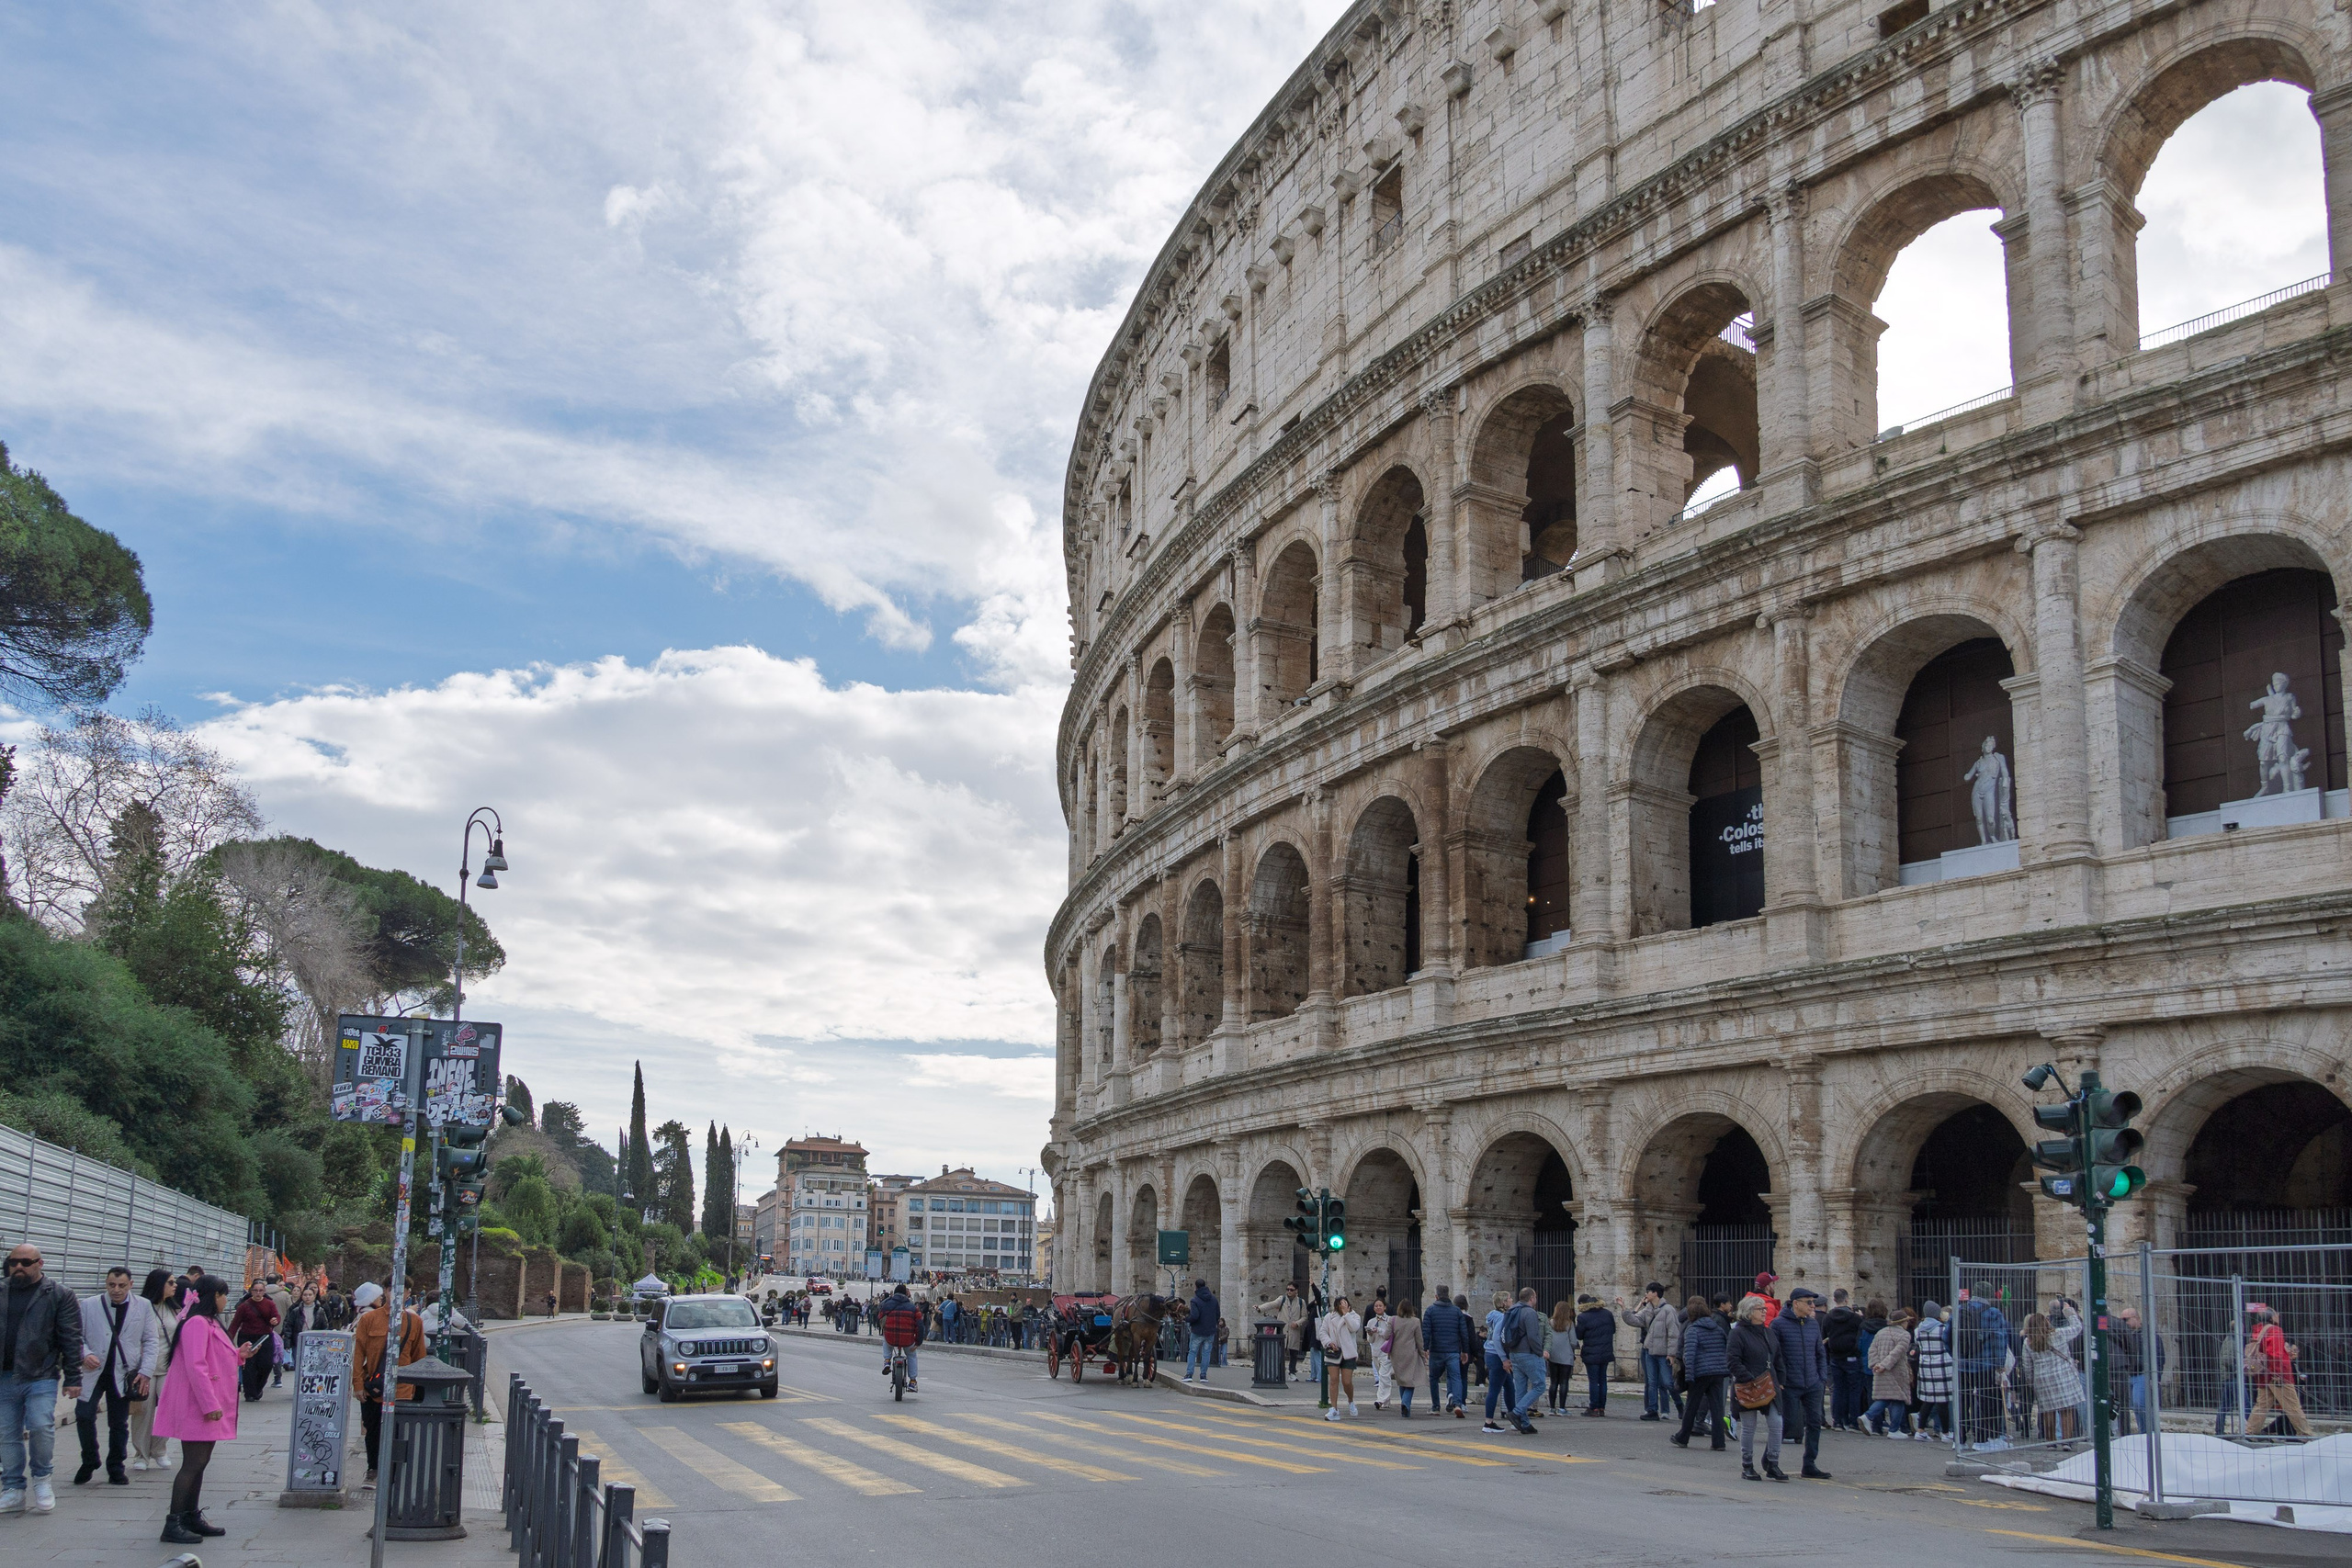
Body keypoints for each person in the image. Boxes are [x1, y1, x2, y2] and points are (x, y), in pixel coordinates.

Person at [153, 1274, 247, 1545]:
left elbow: (214, 1356)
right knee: (193, 1464)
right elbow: (196, 1366)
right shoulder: (197, 1323)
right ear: (214, 1296)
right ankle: (173, 1522)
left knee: (200, 1463)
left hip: (205, 1404)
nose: (226, 1300)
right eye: (224, 1295)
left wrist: (238, 1354)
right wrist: (209, 1404)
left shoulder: (208, 1321)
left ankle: (190, 1516)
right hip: (198, 1405)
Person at [0, 1243, 83, 1516]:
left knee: (41, 1426)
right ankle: (13, 1489)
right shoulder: (1, 1290)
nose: (18, 1267)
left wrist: (73, 1377)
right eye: (13, 1262)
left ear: (40, 1263)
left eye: (25, 1262)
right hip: (4, 1377)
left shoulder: (58, 1294)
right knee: (6, 1435)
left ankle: (42, 1479)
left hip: (41, 1375)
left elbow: (71, 1337)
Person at [74, 1266, 159, 1487]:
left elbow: (151, 1340)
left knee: (118, 1423)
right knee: (83, 1415)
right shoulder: (89, 1305)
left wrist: (145, 1371)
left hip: (123, 1372)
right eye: (112, 1285)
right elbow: (76, 1336)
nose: (116, 1290)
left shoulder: (143, 1306)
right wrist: (86, 1354)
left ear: (131, 1285)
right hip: (94, 1370)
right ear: (106, 1284)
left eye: (121, 1285)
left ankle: (116, 1466)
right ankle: (90, 1459)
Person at [351, 1280, 427, 1484]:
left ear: (408, 1294)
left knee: (398, 1433)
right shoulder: (369, 1319)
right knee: (373, 1430)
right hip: (374, 1387)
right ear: (385, 1291)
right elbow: (358, 1353)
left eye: (402, 1290)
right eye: (392, 1289)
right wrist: (357, 1384)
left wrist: (418, 1389)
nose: (396, 1294)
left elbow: (419, 1356)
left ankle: (395, 1474)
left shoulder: (414, 1321)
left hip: (402, 1389)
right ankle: (373, 1469)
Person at [1770, 1286, 1831, 1478]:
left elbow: (1820, 1353)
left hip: (1812, 1382)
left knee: (1814, 1423)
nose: (1813, 1306)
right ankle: (1770, 1460)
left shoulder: (1812, 1324)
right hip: (1790, 1383)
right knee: (1787, 1424)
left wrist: (1821, 1378)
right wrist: (1779, 1379)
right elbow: (1774, 1355)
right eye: (1809, 1302)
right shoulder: (1778, 1324)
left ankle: (1809, 1464)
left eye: (1813, 1302)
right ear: (1796, 1303)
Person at [1727, 1294, 1785, 1482]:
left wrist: (1781, 1379)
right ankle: (1747, 1465)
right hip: (1748, 1385)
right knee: (1749, 1426)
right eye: (1760, 1309)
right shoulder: (1738, 1333)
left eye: (1764, 1309)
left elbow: (1777, 1358)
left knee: (1776, 1423)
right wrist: (1749, 1378)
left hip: (1770, 1385)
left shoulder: (1768, 1332)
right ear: (1748, 1312)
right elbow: (1733, 1361)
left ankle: (1773, 1463)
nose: (1764, 1312)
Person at [130, 1269, 177, 1472]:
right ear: (159, 1284)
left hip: (168, 1368)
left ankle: (159, 1450)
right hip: (145, 1369)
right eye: (171, 1282)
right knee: (143, 1412)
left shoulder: (174, 1308)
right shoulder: (141, 1307)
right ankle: (141, 1454)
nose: (175, 1286)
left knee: (168, 1410)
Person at [1955, 1282, 2012, 1449]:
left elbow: (1947, 1336)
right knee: (1986, 1402)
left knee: (1963, 1401)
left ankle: (1960, 1440)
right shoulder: (1993, 1313)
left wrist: (1957, 1356)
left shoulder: (1959, 1310)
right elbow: (1999, 1339)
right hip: (1985, 1365)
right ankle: (1982, 1440)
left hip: (1963, 1364)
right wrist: (1999, 1363)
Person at [1670, 1293, 1728, 1452]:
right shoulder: (1717, 1328)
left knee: (1691, 1406)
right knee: (1717, 1408)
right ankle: (1719, 1442)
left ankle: (1683, 1437)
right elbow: (1724, 1349)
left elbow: (1689, 1355)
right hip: (1717, 1372)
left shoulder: (1693, 1330)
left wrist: (1689, 1375)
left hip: (1700, 1373)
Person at [2245, 1304, 2312, 1438]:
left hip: (2263, 1375)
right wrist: (2278, 1374)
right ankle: (2305, 1434)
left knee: (2261, 1406)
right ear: (2271, 1317)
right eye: (2276, 1314)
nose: (2278, 1316)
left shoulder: (2259, 1330)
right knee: (2293, 1405)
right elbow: (2275, 1355)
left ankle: (2250, 1432)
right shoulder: (2275, 1330)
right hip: (2278, 1375)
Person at [1621, 1283, 1682, 1422]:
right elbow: (1635, 1320)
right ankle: (1652, 1410)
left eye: (1648, 1291)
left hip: (1663, 1353)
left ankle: (1680, 1406)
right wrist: (1624, 1309)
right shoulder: (1648, 1309)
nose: (1646, 1294)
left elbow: (1673, 1334)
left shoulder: (1668, 1310)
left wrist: (1671, 1353)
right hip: (1649, 1351)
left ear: (1655, 1293)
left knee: (1667, 1382)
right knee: (1651, 1382)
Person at [2109, 1304, 2164, 1437]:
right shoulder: (2124, 1334)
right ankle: (2142, 1433)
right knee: (2132, 1406)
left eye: (2126, 1319)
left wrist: (2156, 1377)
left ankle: (2148, 1433)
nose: (2123, 1323)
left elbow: (2159, 1356)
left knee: (2140, 1404)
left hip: (2142, 1374)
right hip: (2127, 1374)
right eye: (2121, 1320)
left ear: (2136, 1318)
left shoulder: (2149, 1335)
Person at [1500, 1288, 1546, 1436]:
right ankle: (1517, 1412)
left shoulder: (1512, 1310)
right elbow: (1533, 1336)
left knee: (1520, 1389)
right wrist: (1540, 1352)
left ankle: (1525, 1423)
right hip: (1529, 1353)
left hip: (1514, 1353)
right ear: (1532, 1298)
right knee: (1540, 1385)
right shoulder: (1530, 1313)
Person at [1419, 1290, 1472, 1417]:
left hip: (1436, 1350)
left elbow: (1426, 1331)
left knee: (1433, 1378)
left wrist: (1425, 1348)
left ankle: (1436, 1407)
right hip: (1453, 1350)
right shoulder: (1457, 1311)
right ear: (1448, 1295)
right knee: (1456, 1377)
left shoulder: (1430, 1310)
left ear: (1436, 1296)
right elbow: (1464, 1333)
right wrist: (1465, 1351)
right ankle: (1458, 1404)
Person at [1864, 1308, 1915, 1437]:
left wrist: (1875, 1364)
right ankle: (1893, 1429)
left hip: (1881, 1371)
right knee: (1899, 1399)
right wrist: (1884, 1365)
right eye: (1906, 1321)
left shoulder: (1881, 1332)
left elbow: (1872, 1350)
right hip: (1896, 1372)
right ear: (1902, 1322)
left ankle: (1867, 1417)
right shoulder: (1905, 1335)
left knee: (1885, 1397)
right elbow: (1897, 1353)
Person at [228, 1280, 279, 1403]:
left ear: (264, 1291)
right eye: (255, 1290)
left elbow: (276, 1316)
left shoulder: (269, 1304)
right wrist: (228, 1339)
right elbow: (235, 1323)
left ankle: (258, 1388)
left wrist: (275, 1320)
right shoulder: (244, 1306)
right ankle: (250, 1393)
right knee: (249, 1366)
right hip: (247, 1337)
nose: (258, 1293)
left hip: (264, 1337)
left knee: (266, 1364)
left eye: (261, 1291)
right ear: (251, 1291)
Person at [1821, 1289, 1865, 1431]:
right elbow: (1861, 1336)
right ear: (1846, 1300)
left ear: (1834, 1300)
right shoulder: (1855, 1318)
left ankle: (1838, 1421)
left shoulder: (1828, 1318)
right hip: (1852, 1356)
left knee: (1838, 1389)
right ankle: (1853, 1422)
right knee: (1854, 1390)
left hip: (1835, 1356)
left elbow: (1824, 1337)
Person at [1911, 1300, 1953, 1441]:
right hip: (1942, 1367)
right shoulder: (1943, 1329)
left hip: (1926, 1367)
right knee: (1943, 1401)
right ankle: (1946, 1433)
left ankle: (1920, 1430)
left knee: (1928, 1400)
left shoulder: (1918, 1330)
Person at [1317, 1293, 1363, 1420]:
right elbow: (1323, 1332)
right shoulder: (1329, 1317)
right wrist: (1329, 1342)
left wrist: (1346, 1314)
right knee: (1333, 1380)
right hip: (1334, 1352)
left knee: (1347, 1382)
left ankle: (1351, 1401)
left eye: (1344, 1303)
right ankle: (1334, 1408)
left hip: (1348, 1352)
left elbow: (1354, 1328)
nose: (1342, 1306)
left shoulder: (1354, 1316)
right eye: (1340, 1304)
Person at [1573, 1293, 1617, 1416]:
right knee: (1602, 1380)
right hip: (1606, 1351)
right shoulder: (1608, 1314)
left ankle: (1594, 1407)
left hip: (1591, 1352)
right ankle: (1601, 1407)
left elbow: (1579, 1335)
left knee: (1593, 1381)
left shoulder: (1583, 1317)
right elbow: (1613, 1330)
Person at [877, 1283, 923, 1392]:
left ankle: (887, 1361)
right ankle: (913, 1382)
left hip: (891, 1336)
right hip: (907, 1338)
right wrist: (918, 1342)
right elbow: (920, 1326)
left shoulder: (887, 1305)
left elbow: (879, 1317)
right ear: (906, 1294)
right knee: (911, 1356)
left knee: (886, 1342)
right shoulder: (913, 1308)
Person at [1480, 1292, 1515, 1430]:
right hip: (1497, 1355)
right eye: (1509, 1298)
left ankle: (1514, 1418)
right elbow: (1497, 1338)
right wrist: (1504, 1358)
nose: (1512, 1300)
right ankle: (1488, 1422)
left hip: (1491, 1353)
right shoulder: (1502, 1317)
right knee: (1494, 1389)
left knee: (1509, 1386)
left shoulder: (1493, 1316)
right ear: (1503, 1303)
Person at [1385, 1298, 1426, 1417]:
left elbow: (1386, 1335)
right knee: (1410, 1381)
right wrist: (1423, 1354)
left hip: (1396, 1354)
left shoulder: (1392, 1320)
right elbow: (1419, 1340)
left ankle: (1405, 1406)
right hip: (1410, 1354)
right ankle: (1405, 1403)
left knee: (1401, 1380)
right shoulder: (1415, 1321)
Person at [1182, 1278, 1218, 1383]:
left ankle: (1189, 1374)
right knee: (1206, 1353)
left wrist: (1186, 1319)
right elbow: (1218, 1314)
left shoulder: (1195, 1300)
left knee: (1192, 1352)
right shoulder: (1214, 1299)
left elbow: (1195, 1316)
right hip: (1210, 1331)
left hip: (1197, 1330)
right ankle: (1203, 1376)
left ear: (1196, 1287)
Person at [1545, 1301, 1577, 1413]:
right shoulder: (1569, 1324)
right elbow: (1573, 1341)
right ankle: (1562, 1408)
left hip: (1553, 1355)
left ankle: (1552, 1407)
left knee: (1553, 1382)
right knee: (1564, 1382)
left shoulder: (1550, 1322)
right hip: (1566, 1356)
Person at [1363, 1299, 1394, 1410]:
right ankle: (1386, 1401)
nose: (1378, 1308)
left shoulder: (1389, 1320)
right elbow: (1370, 1340)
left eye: (1380, 1306)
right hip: (1375, 1351)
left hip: (1385, 1352)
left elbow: (1388, 1335)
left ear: (1385, 1307)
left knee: (1384, 1375)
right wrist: (1370, 1333)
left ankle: (1380, 1399)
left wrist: (1379, 1330)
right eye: (1376, 1306)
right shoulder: (1371, 1321)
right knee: (1383, 1376)